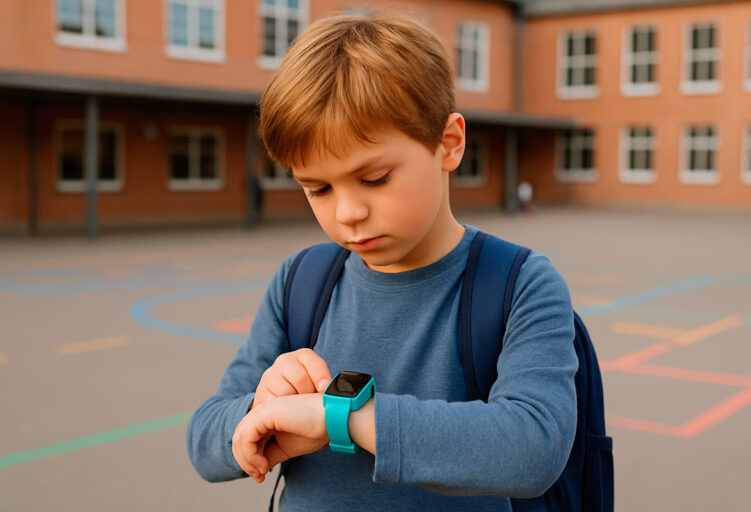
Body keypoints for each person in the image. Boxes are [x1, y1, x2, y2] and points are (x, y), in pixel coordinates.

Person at [186, 13, 578, 511]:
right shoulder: (302, 281)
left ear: (448, 144)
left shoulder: (519, 283)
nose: (348, 213)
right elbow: (204, 439)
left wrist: (339, 418)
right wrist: (262, 411)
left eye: (373, 179)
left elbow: (533, 448)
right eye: (318, 188)